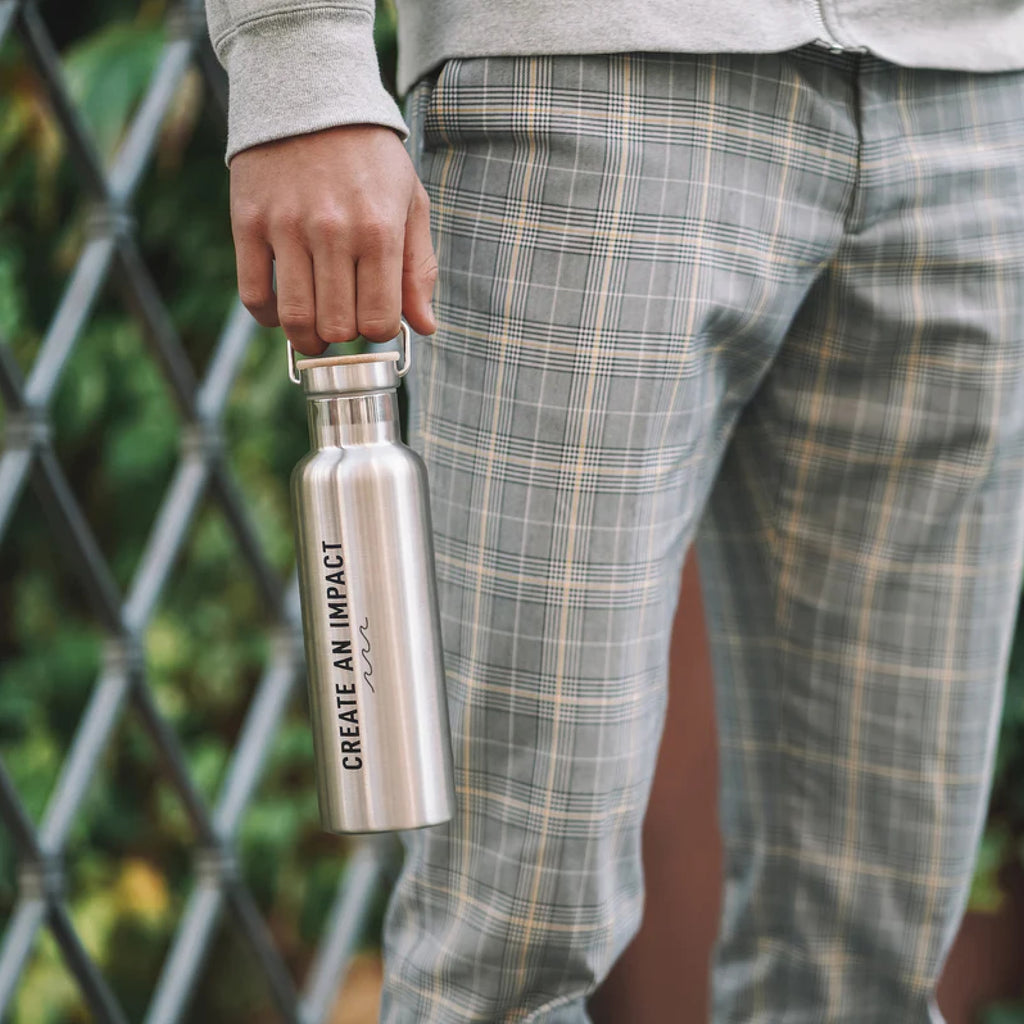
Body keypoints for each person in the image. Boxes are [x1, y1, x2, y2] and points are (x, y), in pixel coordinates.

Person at [204, 1, 1024, 1020]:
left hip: (977, 102)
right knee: (508, 953)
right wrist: (297, 57)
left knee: (873, 973)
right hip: (585, 84)